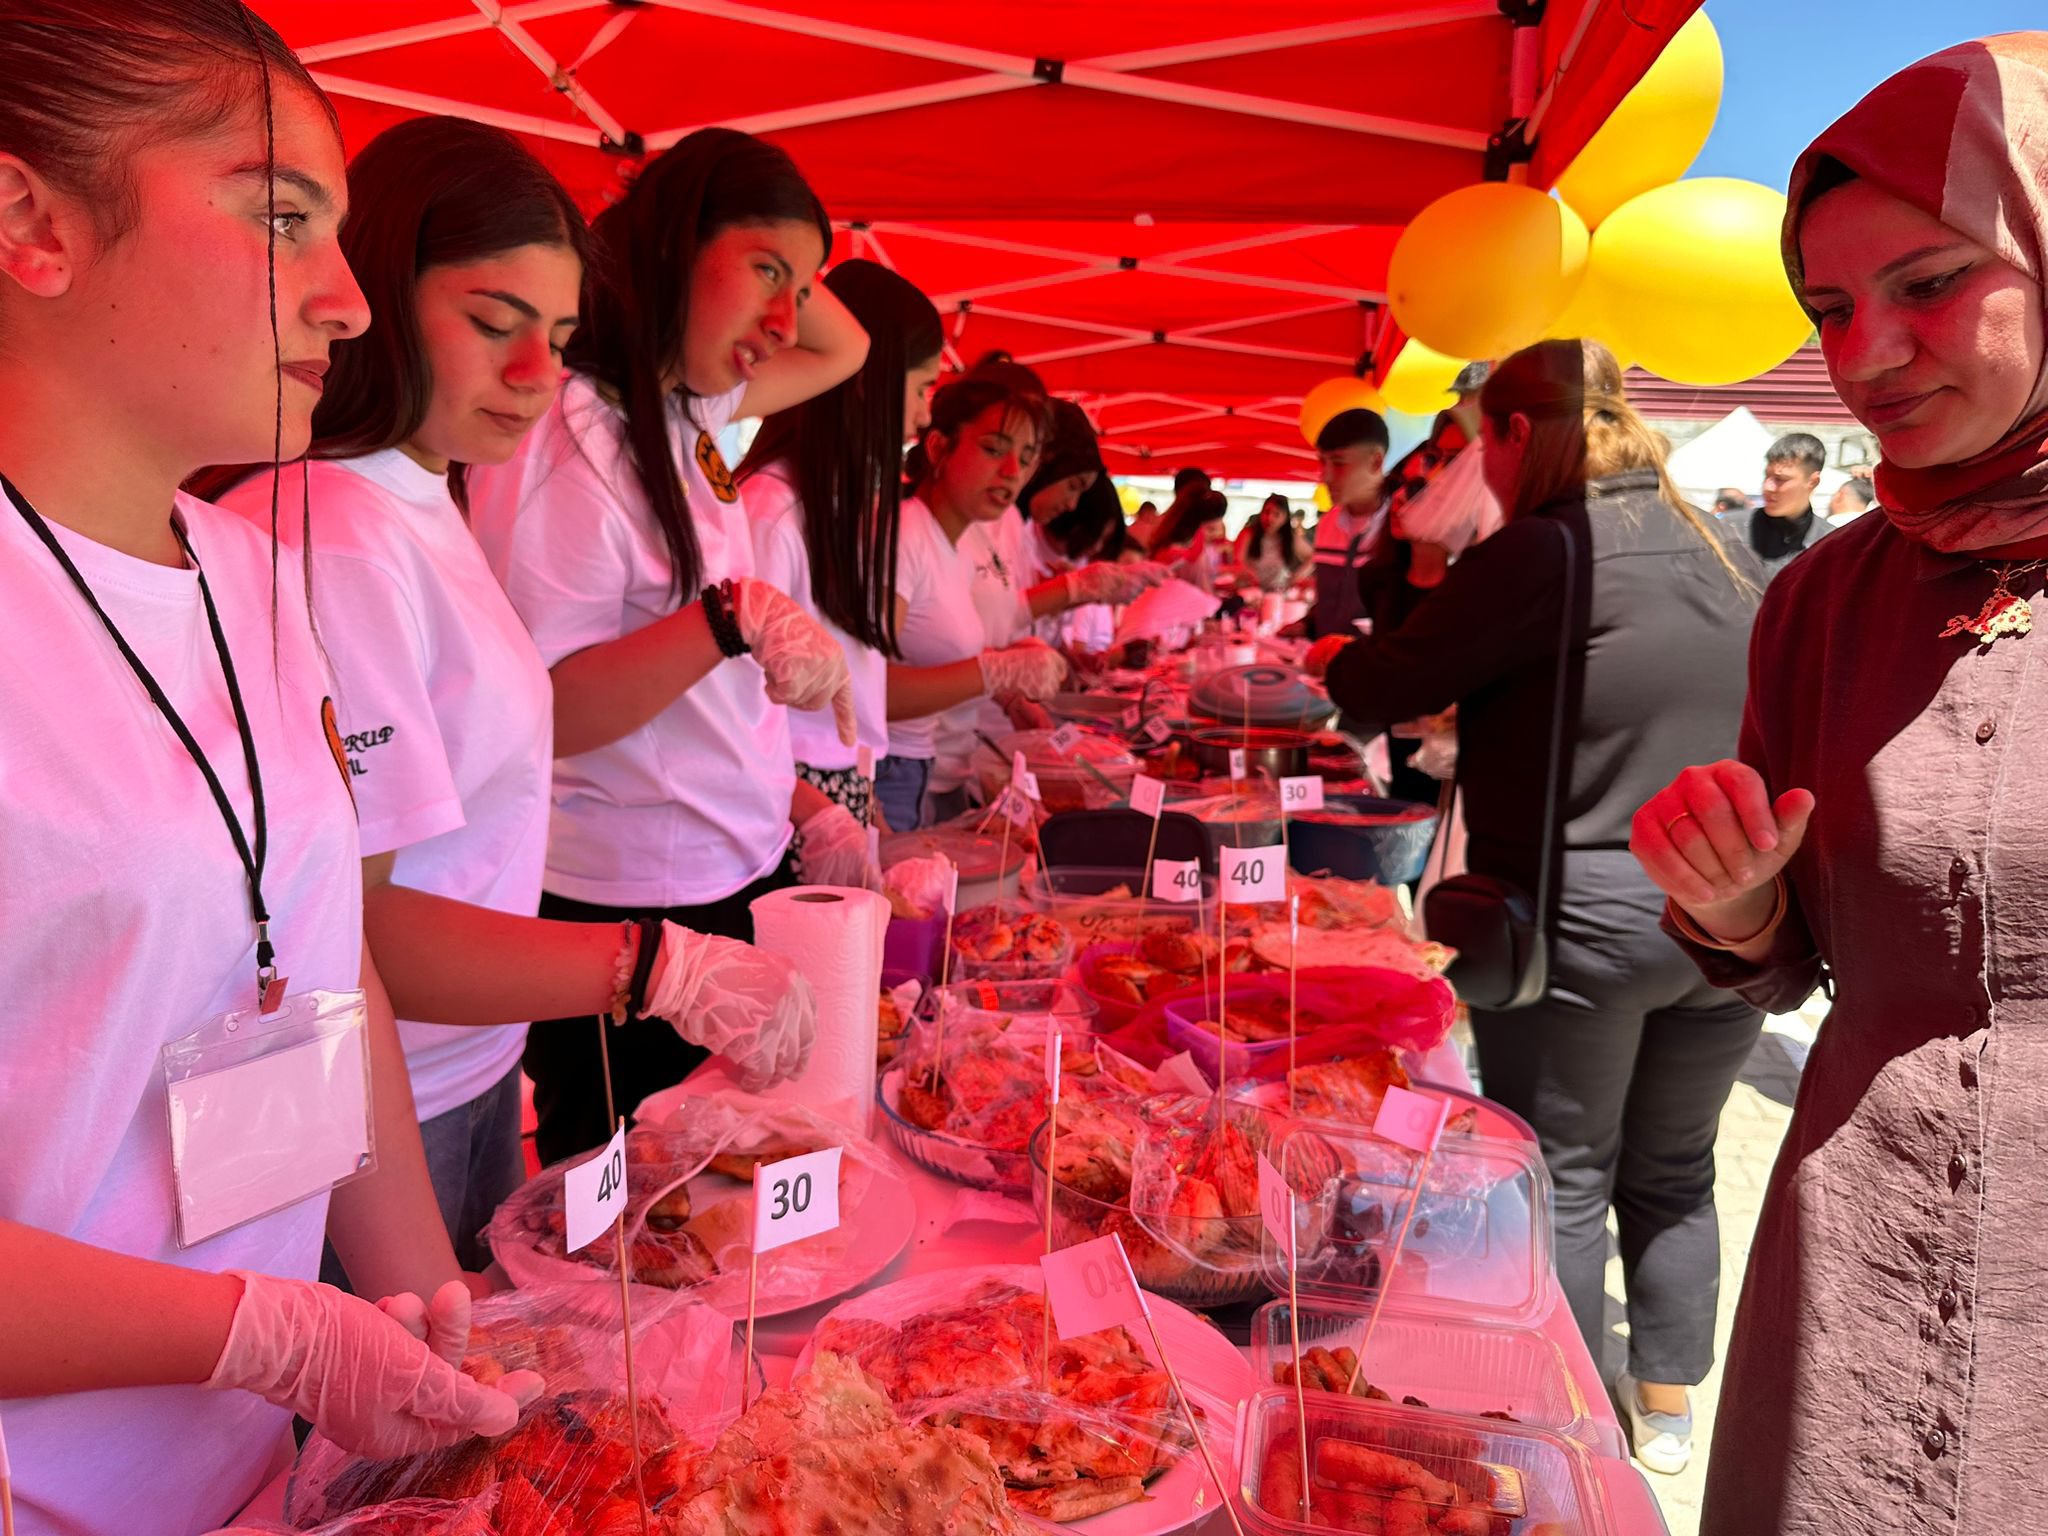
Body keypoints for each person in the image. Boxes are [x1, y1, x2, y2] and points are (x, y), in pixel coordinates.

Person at [0, 7, 540, 1529]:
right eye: (282, 216)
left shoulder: (247, 566)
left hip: (258, 1472)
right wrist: (257, 1331)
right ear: (32, 223)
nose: (349, 303)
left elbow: (316, 955)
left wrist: (431, 1315)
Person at [206, 117, 813, 1274]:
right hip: (376, 1113)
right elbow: (354, 927)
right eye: (494, 324)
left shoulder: (422, 499)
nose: (537, 374)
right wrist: (652, 966)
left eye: (561, 335)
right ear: (376, 292)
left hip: (470, 1063)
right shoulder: (337, 534)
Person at [1631, 35, 2048, 1533]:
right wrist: (1737, 903)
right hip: (1859, 1275)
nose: (1864, 352)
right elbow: (1790, 963)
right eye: (1828, 308)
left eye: (1927, 283)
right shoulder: (1821, 599)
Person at [1316, 340, 1765, 1477]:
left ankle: (1570, 1428)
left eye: (1479, 444)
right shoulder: (1718, 540)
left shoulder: (1545, 550)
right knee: (1674, 1167)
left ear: (1514, 435)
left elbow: (1382, 683)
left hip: (1580, 926)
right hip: (1730, 915)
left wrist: (1363, 617)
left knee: (1559, 1175)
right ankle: (1665, 1406)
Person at [464, 127, 868, 1165]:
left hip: (729, 873)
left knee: (732, 1180)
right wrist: (724, 622)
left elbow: (846, 348)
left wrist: (802, 806)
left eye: (802, 287)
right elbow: (549, 711)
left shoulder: (683, 413)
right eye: (765, 271)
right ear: (674, 244)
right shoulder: (567, 437)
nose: (788, 321)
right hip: (629, 906)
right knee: (640, 1207)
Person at [882, 370, 1069, 828]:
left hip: (921, 766)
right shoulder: (902, 537)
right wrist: (994, 672)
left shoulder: (955, 546)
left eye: (1026, 458)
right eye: (993, 449)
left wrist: (1006, 685)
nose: (1012, 472)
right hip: (885, 771)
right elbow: (867, 690)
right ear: (938, 448)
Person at [1309, 407, 1391, 637]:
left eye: (1339, 463)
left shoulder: (1400, 528)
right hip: (1328, 654)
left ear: (1376, 462)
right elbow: (1332, 602)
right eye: (1322, 463)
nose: (1325, 476)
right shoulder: (1328, 524)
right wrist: (1308, 624)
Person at [1723, 430, 1832, 580]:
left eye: (1780, 479)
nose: (1767, 487)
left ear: (1812, 482)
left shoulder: (1829, 543)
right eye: (1766, 476)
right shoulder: (1729, 528)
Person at [1237, 493, 1308, 593]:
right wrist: (1250, 575)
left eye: (1276, 514)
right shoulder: (1248, 534)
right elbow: (1238, 560)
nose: (1270, 518)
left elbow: (1313, 557)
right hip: (1250, 591)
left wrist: (1297, 576)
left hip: (1278, 593)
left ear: (1285, 518)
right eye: (1267, 512)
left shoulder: (1291, 538)